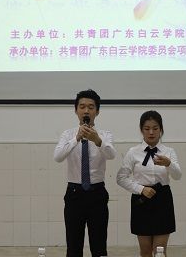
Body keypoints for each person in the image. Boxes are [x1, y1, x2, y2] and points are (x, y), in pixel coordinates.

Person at [54, 89, 116, 257]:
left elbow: (111, 154)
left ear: (97, 111)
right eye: (82, 107)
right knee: (73, 247)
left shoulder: (104, 135)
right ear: (76, 110)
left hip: (97, 193)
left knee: (99, 246)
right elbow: (58, 157)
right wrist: (76, 138)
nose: (86, 111)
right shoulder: (67, 134)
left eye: (91, 107)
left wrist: (97, 140)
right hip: (74, 193)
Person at [116, 110, 181, 257]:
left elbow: (178, 176)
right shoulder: (133, 152)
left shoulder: (169, 151)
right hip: (142, 199)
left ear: (161, 129)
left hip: (162, 198)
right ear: (141, 130)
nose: (151, 132)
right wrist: (140, 189)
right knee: (145, 250)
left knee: (160, 250)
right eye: (147, 128)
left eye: (155, 128)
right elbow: (121, 178)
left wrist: (169, 164)